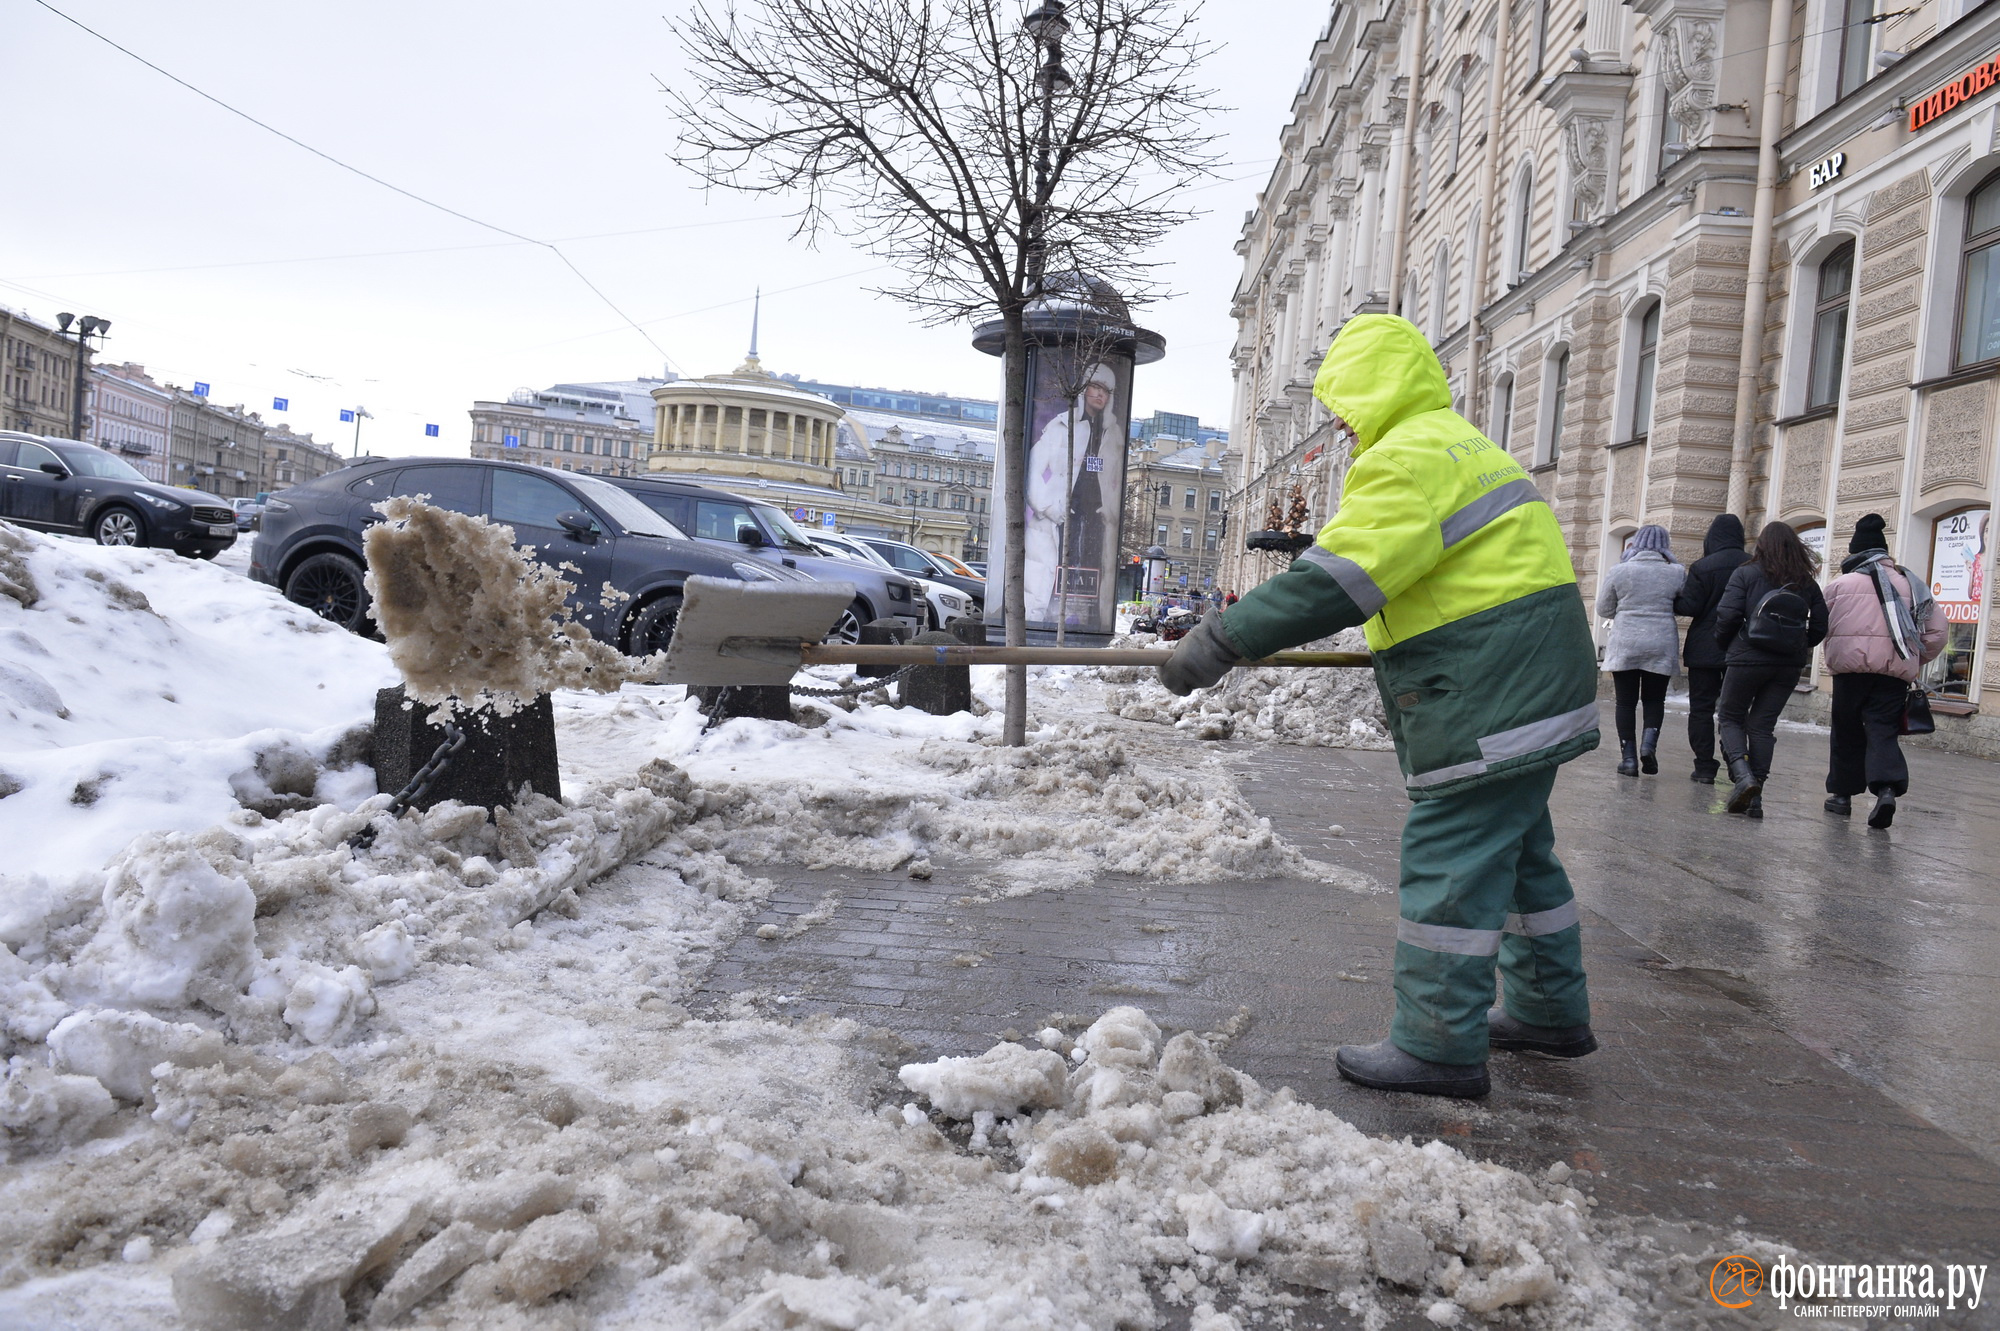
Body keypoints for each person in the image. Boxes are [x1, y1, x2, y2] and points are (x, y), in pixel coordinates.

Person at [1159, 314, 1599, 1099]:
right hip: (1536, 678)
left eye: (1344, 405)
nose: (1340, 423)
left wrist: (1222, 638)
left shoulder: (1404, 461)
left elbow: (1339, 579)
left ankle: (1436, 1044)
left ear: (1371, 395)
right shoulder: (1461, 443)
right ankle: (1547, 1009)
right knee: (1522, 852)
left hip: (1489, 685)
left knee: (1450, 858)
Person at [1821, 513, 1945, 828]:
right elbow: (1937, 632)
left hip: (1850, 673)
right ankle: (1886, 790)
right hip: (1892, 674)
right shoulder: (1912, 583)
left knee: (1847, 731)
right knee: (1883, 730)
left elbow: (1819, 625)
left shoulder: (1840, 584)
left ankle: (1842, 797)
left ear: (1854, 552)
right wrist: (1912, 658)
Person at [1711, 521, 1829, 818]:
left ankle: (1743, 777)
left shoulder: (1746, 573)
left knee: (1730, 717)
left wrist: (1729, 644)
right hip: (1787, 665)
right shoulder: (1806, 582)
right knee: (1762, 725)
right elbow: (1820, 626)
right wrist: (1798, 645)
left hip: (1747, 658)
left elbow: (1727, 615)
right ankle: (1755, 796)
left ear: (1761, 545)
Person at [1024, 363, 1123, 625]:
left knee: (1090, 578)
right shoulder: (1063, 427)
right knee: (1046, 578)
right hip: (1059, 519)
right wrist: (1048, 507)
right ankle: (1040, 627)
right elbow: (1032, 468)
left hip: (1095, 523)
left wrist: (1110, 511)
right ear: (1084, 389)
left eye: (1106, 390)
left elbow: (1116, 480)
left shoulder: (1113, 434)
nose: (1100, 394)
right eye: (1096, 386)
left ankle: (1087, 625)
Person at [1595, 524, 1686, 777]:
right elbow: (1683, 604)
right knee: (1654, 699)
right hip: (1661, 641)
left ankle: (1629, 759)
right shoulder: (1676, 573)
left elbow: (1603, 608)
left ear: (1636, 543)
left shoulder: (1620, 571)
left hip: (1626, 641)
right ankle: (1649, 745)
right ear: (1664, 546)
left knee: (1625, 702)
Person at [1672, 514, 1750, 783]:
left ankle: (1704, 766)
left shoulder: (1703, 566)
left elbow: (1689, 607)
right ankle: (1737, 763)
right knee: (1736, 712)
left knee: (1701, 709)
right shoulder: (1753, 565)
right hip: (1742, 649)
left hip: (1704, 649)